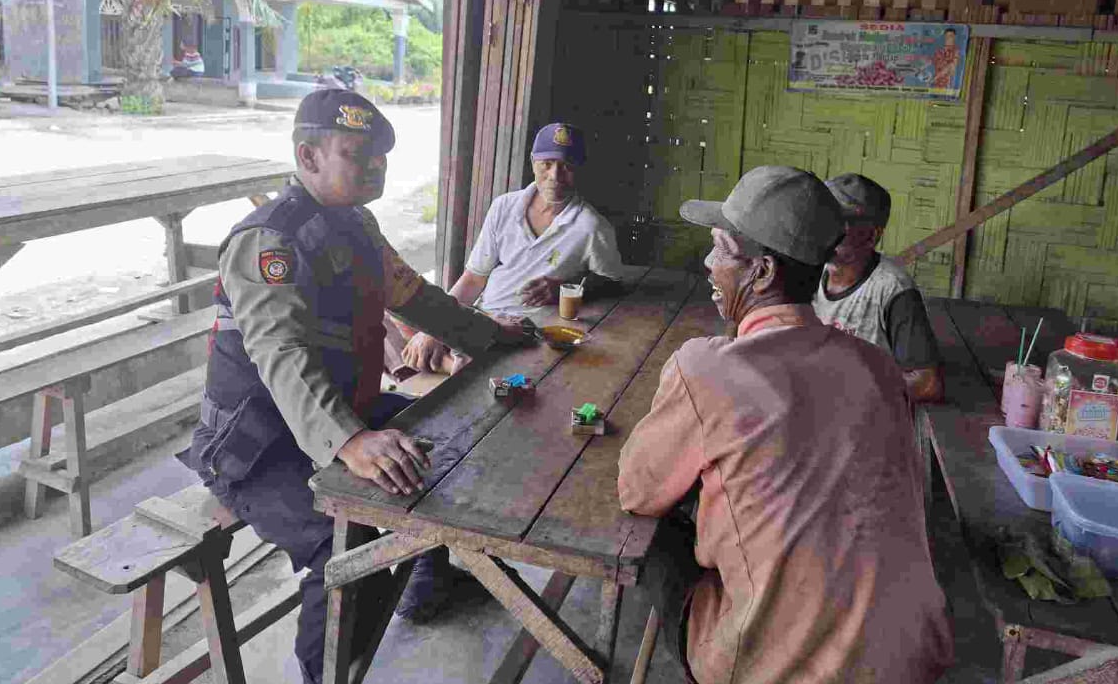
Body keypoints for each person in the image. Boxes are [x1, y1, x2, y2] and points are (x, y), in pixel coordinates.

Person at [179, 88, 528, 684]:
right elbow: (281, 354)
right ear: (308, 157)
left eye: (380, 156)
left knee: (456, 439)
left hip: (343, 411)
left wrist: (493, 336)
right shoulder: (269, 241)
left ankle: (426, 579)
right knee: (342, 542)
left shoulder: (357, 226)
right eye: (356, 154)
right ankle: (327, 673)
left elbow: (419, 300)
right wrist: (350, 441)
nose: (375, 166)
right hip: (257, 445)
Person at [617, 166, 953, 684]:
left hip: (782, 671)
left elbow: (637, 491)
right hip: (911, 660)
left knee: (660, 532)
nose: (708, 263)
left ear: (763, 272)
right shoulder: (878, 367)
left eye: (720, 249)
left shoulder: (705, 369)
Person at [400, 122, 625, 373]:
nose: (555, 176)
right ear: (533, 162)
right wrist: (436, 329)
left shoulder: (591, 226)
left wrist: (564, 287)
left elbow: (613, 282)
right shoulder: (504, 207)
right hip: (482, 315)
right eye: (547, 164)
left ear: (580, 168)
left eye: (567, 166)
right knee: (402, 317)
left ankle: (449, 362)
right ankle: (448, 359)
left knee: (473, 360)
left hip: (528, 327)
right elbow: (473, 278)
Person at [813, 172, 945, 404]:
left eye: (840, 221)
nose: (825, 229)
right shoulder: (809, 269)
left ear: (871, 235)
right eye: (823, 217)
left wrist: (846, 389)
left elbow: (927, 383)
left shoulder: (892, 289)